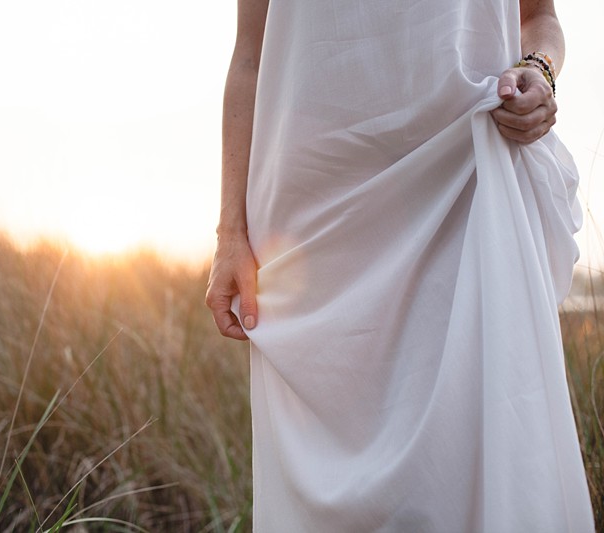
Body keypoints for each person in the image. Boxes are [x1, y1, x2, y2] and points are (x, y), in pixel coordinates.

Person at [206, 0, 595, 531]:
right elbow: (250, 54)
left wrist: (540, 68)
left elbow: (539, 17)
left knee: (470, 464)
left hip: (466, 174)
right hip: (313, 221)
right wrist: (231, 232)